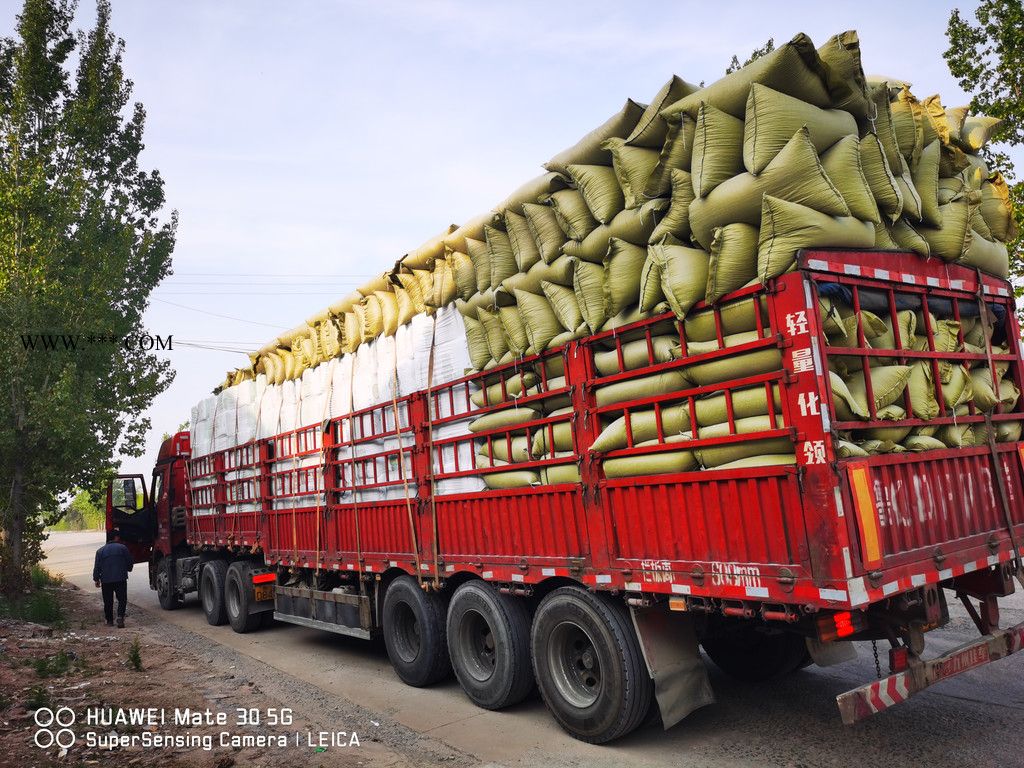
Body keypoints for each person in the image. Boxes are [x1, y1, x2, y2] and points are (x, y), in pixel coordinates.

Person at [93, 531, 134, 628]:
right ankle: (120, 616)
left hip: (106, 580)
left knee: (108, 601)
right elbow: (129, 562)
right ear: (116, 538)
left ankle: (109, 620)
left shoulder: (100, 551)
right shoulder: (123, 548)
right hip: (120, 578)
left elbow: (97, 567)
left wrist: (96, 579)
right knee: (122, 599)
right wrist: (128, 569)